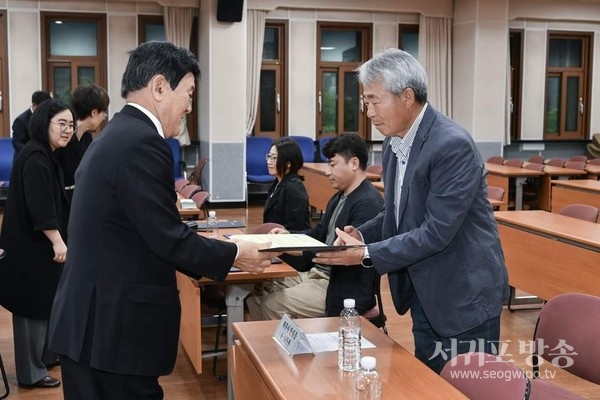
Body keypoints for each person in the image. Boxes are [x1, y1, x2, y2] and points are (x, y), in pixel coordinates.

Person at [47, 41, 277, 400]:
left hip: (92, 326)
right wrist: (236, 253)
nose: (189, 105)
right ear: (158, 87)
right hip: (112, 334)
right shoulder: (142, 142)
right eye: (188, 93)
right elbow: (168, 238)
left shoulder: (114, 137)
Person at [313, 49, 509, 374]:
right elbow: (397, 214)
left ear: (407, 96)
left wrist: (365, 254)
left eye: (376, 101)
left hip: (463, 296)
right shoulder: (394, 144)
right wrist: (361, 234)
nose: (369, 112)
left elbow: (436, 231)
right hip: (425, 292)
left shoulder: (450, 145)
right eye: (366, 102)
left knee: (468, 388)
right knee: (430, 385)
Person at [248, 133, 384, 320]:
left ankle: (281, 349)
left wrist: (295, 248)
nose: (328, 171)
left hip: (339, 285)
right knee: (257, 293)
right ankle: (262, 346)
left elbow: (345, 253)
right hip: (318, 273)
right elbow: (319, 232)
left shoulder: (368, 202)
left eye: (332, 164)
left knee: (273, 305)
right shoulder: (339, 196)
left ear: (353, 163)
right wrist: (288, 235)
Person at [0, 98, 76, 389]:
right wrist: (58, 242)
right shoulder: (34, 156)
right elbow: (40, 206)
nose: (67, 130)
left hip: (36, 248)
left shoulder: (46, 153)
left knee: (44, 303)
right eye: (62, 124)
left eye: (70, 124)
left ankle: (44, 357)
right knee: (31, 309)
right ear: (44, 123)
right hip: (28, 250)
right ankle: (31, 373)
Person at [60, 83, 110, 201]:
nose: (103, 118)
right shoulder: (65, 135)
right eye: (103, 114)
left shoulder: (87, 136)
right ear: (94, 113)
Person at [263, 137, 311, 231]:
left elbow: (296, 227)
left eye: (274, 158)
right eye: (269, 157)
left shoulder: (294, 188)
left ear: (288, 163)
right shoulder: (276, 183)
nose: (269, 162)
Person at [11, 90, 52, 158]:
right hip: (25, 158)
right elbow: (17, 142)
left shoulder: (48, 117)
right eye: (42, 108)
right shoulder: (21, 120)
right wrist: (31, 153)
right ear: (34, 105)